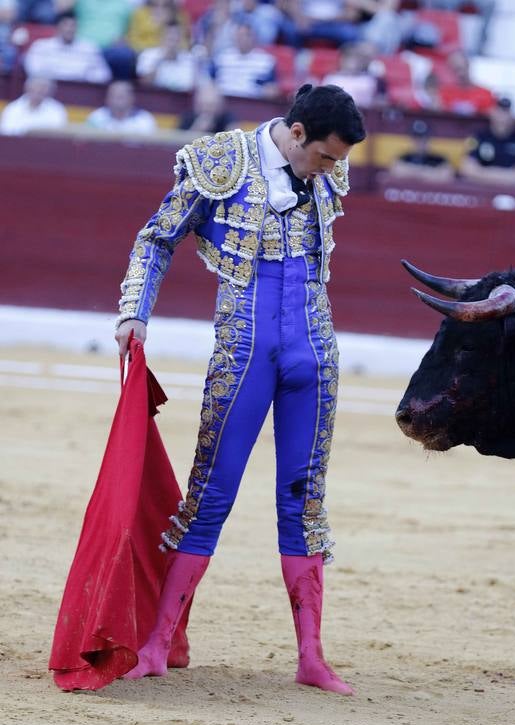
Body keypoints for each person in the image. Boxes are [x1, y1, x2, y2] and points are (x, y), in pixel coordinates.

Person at [114, 84, 366, 694]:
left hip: (314, 352)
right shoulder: (221, 161)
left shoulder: (327, 168)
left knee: (303, 504)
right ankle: (156, 643)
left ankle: (311, 656)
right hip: (245, 350)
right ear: (298, 133)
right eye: (327, 157)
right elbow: (157, 238)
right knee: (209, 495)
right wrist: (134, 311)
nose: (335, 170)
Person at [459, 96, 515, 186]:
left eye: (506, 112)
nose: (502, 116)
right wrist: (510, 176)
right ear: (492, 113)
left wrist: (482, 173)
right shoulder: (479, 137)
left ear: (513, 117)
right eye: (499, 111)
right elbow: (467, 168)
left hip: (510, 191)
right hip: (481, 188)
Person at [24, 9, 111, 82]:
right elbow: (33, 70)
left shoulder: (89, 48)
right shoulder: (41, 46)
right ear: (57, 27)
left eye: (73, 25)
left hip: (79, 94)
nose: (69, 29)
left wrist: (84, 77)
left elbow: (104, 74)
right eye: (65, 25)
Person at [211, 22, 278, 99]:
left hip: (252, 103)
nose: (242, 39)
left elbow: (272, 88)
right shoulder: (220, 58)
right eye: (239, 35)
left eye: (247, 35)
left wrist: (270, 90)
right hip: (222, 101)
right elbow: (209, 80)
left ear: (254, 37)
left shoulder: (267, 61)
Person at [136, 18, 196, 92]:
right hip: (155, 99)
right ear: (161, 36)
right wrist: (161, 61)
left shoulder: (190, 59)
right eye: (169, 35)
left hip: (182, 100)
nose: (173, 38)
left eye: (177, 35)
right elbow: (143, 84)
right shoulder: (148, 55)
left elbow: (192, 87)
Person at [387, 118, 453, 182]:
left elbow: (446, 176)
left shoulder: (439, 160)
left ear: (430, 139)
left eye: (424, 138)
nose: (420, 142)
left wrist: (413, 172)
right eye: (416, 138)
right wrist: (429, 173)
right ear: (411, 139)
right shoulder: (403, 157)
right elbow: (396, 171)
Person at [0, 75, 67, 134]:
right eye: (35, 88)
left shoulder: (57, 110)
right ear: (27, 88)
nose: (37, 91)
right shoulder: (13, 108)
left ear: (49, 91)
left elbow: (58, 134)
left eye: (42, 89)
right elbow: (7, 132)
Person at [86, 80, 157, 135]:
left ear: (131, 98)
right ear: (106, 98)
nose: (116, 101)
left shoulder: (145, 120)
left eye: (120, 97)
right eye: (113, 96)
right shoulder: (96, 117)